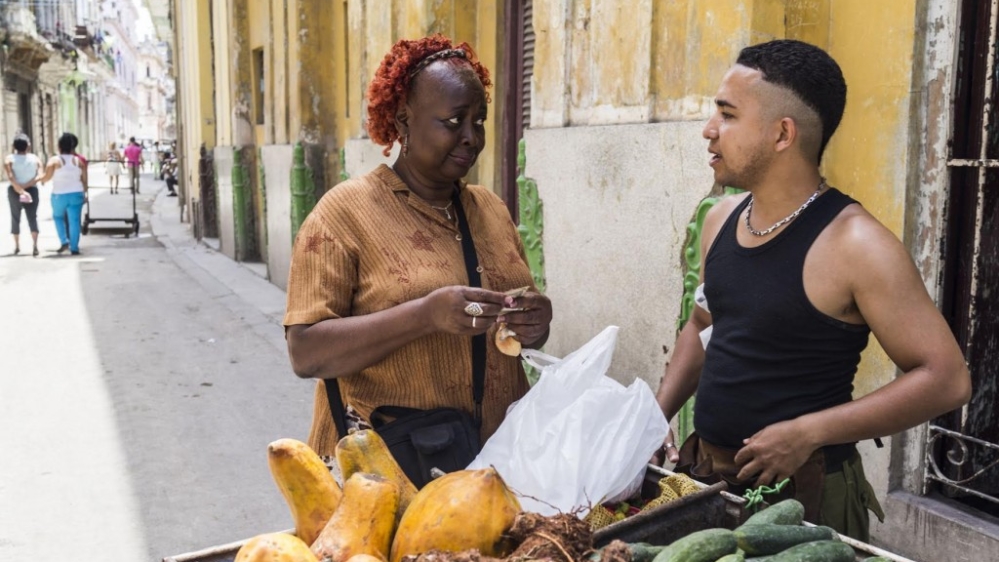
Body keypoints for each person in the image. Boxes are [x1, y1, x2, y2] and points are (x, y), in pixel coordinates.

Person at [652, 39, 971, 542]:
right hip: (707, 480)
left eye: (728, 115)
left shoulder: (857, 244)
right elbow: (701, 323)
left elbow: (947, 379)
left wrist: (809, 431)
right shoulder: (720, 219)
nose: (709, 131)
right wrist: (656, 415)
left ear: (783, 134)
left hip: (806, 499)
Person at [283, 35, 554, 465]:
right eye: (453, 121)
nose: (471, 137)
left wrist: (535, 324)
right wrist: (425, 315)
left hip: (498, 459)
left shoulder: (490, 209)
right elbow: (306, 352)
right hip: (390, 470)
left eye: (479, 121)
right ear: (404, 121)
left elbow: (515, 333)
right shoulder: (343, 214)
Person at [36, 133, 89, 255]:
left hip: (59, 195)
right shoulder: (79, 161)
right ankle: (74, 248)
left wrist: (39, 175)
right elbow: (84, 180)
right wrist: (84, 194)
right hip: (76, 194)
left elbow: (46, 178)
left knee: (58, 217)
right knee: (74, 221)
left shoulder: (54, 161)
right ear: (72, 147)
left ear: (59, 146)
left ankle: (64, 240)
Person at [4, 134, 42, 256]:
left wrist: (19, 189)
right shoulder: (35, 158)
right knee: (32, 217)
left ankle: (17, 246)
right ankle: (35, 245)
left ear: (14, 146)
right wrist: (26, 187)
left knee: (15, 217)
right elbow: (39, 175)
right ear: (28, 145)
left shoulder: (9, 159)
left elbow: (10, 176)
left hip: (14, 191)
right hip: (32, 190)